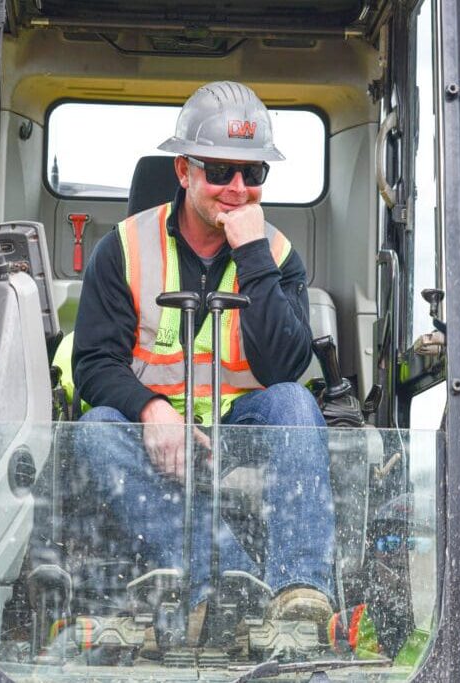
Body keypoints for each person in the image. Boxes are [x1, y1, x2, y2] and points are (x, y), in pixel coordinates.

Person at [70, 81, 335, 627]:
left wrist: (254, 255)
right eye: (219, 171)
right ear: (184, 171)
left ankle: (300, 590)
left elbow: (286, 367)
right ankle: (230, 585)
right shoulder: (120, 248)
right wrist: (152, 411)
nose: (237, 188)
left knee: (294, 405)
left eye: (253, 173)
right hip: (154, 439)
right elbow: (93, 363)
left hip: (242, 436)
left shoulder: (278, 255)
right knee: (95, 428)